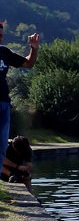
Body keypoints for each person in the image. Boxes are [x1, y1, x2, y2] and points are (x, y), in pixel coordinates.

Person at [0, 22, 39, 174]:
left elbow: (28, 63)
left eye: (1, 36)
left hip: (4, 104)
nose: (0, 39)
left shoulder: (4, 52)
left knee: (2, 147)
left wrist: (33, 49)